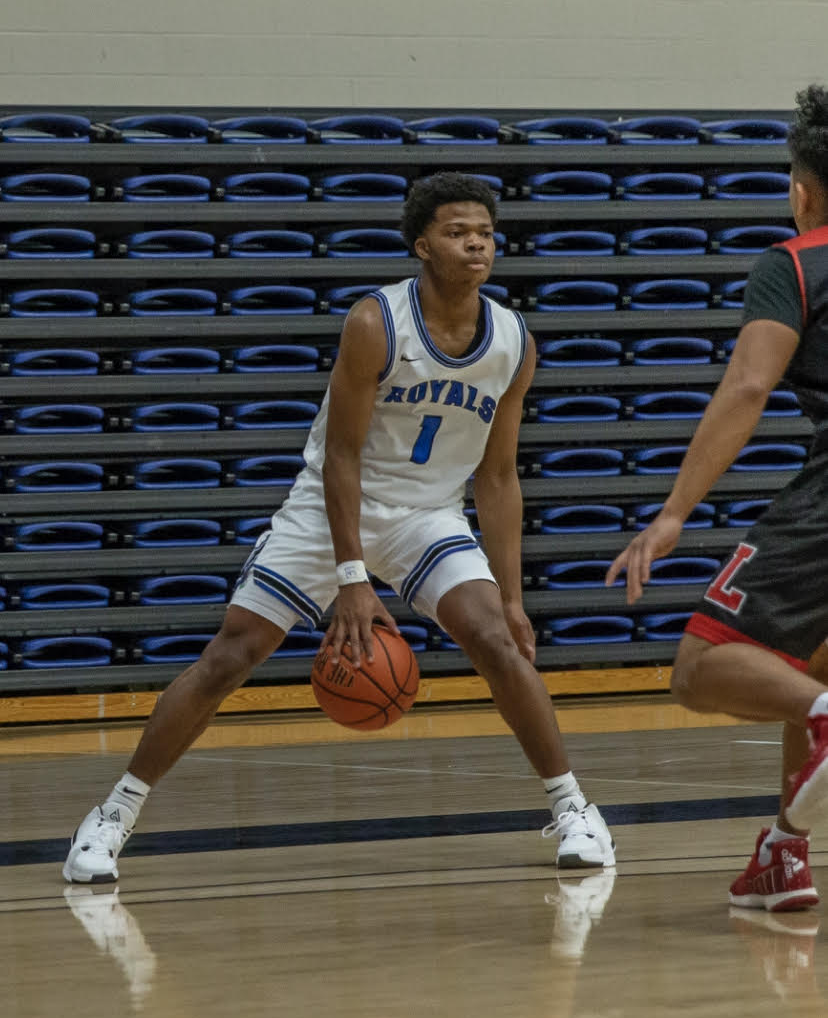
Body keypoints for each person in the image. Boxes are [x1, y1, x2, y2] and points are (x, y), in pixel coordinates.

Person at [64, 171, 615, 884]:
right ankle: (113, 815)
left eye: (484, 231)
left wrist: (511, 598)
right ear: (422, 245)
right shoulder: (374, 323)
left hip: (428, 515)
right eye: (457, 231)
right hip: (335, 510)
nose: (476, 242)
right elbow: (341, 458)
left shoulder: (513, 339)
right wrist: (352, 578)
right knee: (231, 655)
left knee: (497, 642)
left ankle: (574, 810)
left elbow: (499, 477)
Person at [606, 84, 828, 913]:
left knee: (701, 665)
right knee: (803, 658)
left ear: (800, 190)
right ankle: (784, 853)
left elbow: (747, 386)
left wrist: (671, 515)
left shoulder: (796, 261)